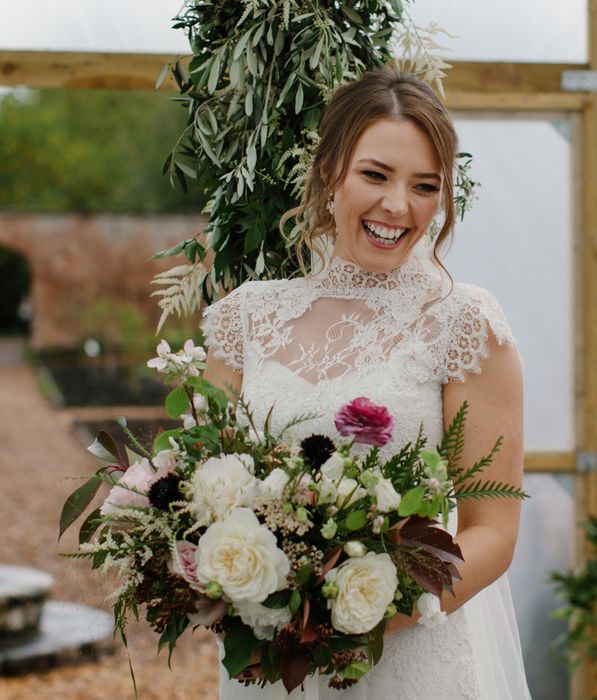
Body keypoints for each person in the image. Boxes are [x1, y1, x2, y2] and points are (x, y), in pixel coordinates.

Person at [202, 68, 531, 699]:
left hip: (410, 661)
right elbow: (205, 494)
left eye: (424, 186)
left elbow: (492, 530)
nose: (397, 206)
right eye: (375, 175)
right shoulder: (246, 317)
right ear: (330, 171)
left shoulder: (464, 324)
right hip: (271, 663)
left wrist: (363, 618)